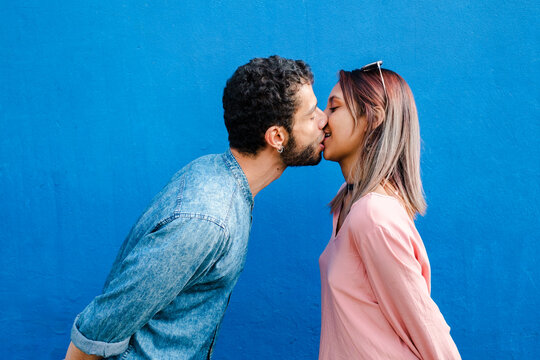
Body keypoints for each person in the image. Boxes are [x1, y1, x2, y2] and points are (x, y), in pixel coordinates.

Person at [65, 55, 327, 360]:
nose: (323, 119)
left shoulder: (216, 175)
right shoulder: (207, 219)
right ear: (277, 136)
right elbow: (100, 328)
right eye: (311, 115)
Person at [318, 61, 461, 359]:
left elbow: (426, 326)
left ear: (373, 118)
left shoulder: (372, 216)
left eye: (334, 108)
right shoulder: (347, 202)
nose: (322, 120)